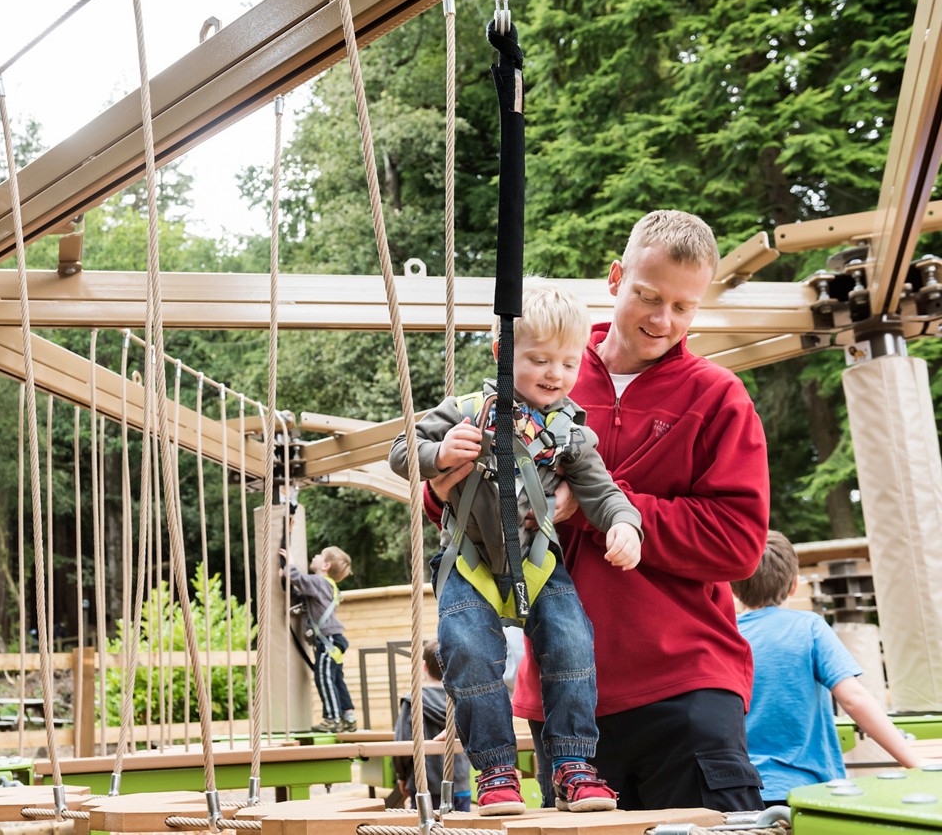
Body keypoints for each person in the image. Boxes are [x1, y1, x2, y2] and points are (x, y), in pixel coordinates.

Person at [487, 209, 769, 811]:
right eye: (648, 295)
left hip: (688, 685)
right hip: (564, 702)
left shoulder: (718, 396)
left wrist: (593, 507)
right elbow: (460, 492)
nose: (662, 320)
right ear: (616, 279)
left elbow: (739, 542)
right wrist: (445, 480)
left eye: (683, 307)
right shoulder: (540, 371)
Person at [389, 285, 643, 815]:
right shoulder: (468, 410)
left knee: (572, 644)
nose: (555, 373)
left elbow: (601, 490)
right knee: (467, 652)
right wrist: (439, 453)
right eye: (539, 359)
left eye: (568, 363)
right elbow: (401, 451)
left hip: (537, 563)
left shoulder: (569, 431)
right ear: (505, 354)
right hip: (472, 562)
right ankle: (496, 771)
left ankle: (574, 765)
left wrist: (624, 524)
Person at [734, 530, 926, 805]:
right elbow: (853, 697)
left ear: (733, 586)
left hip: (742, 791)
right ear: (794, 585)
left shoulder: (728, 636)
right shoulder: (808, 627)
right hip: (807, 791)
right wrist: (914, 761)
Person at [281, 545, 357, 732]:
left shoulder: (319, 582)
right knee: (336, 678)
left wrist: (289, 565)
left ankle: (332, 718)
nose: (314, 556)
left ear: (326, 566)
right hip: (333, 640)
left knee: (324, 678)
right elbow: (302, 596)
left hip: (328, 640)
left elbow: (299, 579)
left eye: (319, 555)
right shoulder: (328, 586)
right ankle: (348, 716)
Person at [392, 639, 473, 812]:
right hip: (459, 780)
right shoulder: (464, 700)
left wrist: (401, 776)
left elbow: (403, 741)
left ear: (424, 667)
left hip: (424, 782)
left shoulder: (413, 701)